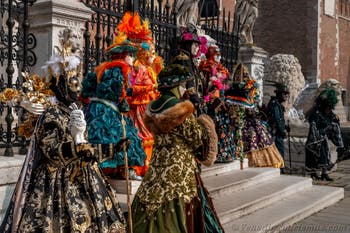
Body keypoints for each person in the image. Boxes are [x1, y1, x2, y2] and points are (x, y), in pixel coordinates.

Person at [0, 32, 127, 232]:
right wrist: (76, 146)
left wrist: (113, 148)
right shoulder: (51, 116)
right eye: (72, 84)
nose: (78, 89)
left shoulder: (75, 111)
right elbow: (52, 152)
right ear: (60, 87)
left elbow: (86, 149)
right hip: (56, 185)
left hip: (85, 177)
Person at [131, 64, 224, 233]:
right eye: (183, 85)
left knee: (150, 197)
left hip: (157, 167)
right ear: (177, 86)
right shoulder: (181, 111)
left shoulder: (154, 106)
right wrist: (203, 115)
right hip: (179, 169)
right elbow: (197, 139)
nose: (184, 89)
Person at [81, 31, 146, 180]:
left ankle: (116, 170)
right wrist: (130, 92)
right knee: (118, 136)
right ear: (123, 55)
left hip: (102, 108)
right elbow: (113, 90)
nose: (133, 58)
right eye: (130, 55)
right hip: (106, 109)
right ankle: (119, 169)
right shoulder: (118, 69)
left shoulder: (106, 68)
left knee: (116, 137)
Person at [117, 12, 162, 176]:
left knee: (148, 132)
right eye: (150, 52)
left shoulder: (148, 68)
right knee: (142, 133)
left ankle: (146, 164)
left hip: (147, 104)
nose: (153, 56)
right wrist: (148, 88)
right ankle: (140, 165)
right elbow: (134, 87)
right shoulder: (139, 68)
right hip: (139, 105)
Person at [305, 88, 344, 181]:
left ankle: (324, 173)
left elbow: (333, 122)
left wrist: (335, 119)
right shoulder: (315, 113)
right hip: (314, 140)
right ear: (324, 106)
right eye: (328, 108)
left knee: (325, 155)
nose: (329, 110)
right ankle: (313, 173)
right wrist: (320, 133)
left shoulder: (329, 113)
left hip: (323, 139)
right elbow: (313, 127)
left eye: (330, 108)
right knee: (314, 157)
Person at [267, 83, 290, 169]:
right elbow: (277, 119)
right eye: (284, 94)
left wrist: (285, 127)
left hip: (278, 132)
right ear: (278, 94)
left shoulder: (278, 104)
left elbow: (280, 119)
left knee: (280, 149)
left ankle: (281, 166)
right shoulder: (274, 104)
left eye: (286, 94)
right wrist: (282, 129)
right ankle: (280, 168)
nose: (286, 96)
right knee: (278, 150)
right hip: (275, 132)